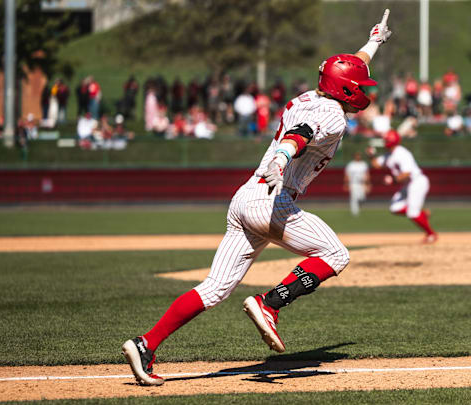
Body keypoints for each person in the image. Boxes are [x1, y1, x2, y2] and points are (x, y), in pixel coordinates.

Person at [121, 10, 393, 386]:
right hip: (274, 200)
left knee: (213, 289)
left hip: (246, 197)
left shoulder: (309, 96)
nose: (364, 89)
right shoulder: (332, 114)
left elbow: (345, 71)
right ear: (345, 89)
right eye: (360, 85)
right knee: (336, 255)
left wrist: (373, 42)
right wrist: (282, 158)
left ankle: (145, 343)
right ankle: (270, 304)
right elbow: (299, 135)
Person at [366, 129, 437, 243]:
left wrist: (393, 180)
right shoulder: (389, 154)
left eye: (386, 139)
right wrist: (371, 155)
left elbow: (407, 173)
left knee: (412, 213)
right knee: (395, 208)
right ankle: (422, 214)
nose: (384, 141)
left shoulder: (401, 153)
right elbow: (376, 165)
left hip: (417, 182)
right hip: (408, 184)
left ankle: (431, 234)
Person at [344, 152, 371, 216]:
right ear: (354, 156)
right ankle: (355, 213)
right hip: (353, 183)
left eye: (359, 155)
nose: (358, 157)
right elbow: (347, 175)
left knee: (362, 198)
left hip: (362, 183)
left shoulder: (363, 164)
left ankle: (359, 208)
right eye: (357, 155)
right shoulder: (351, 165)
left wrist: (368, 184)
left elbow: (367, 174)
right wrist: (346, 184)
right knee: (354, 198)